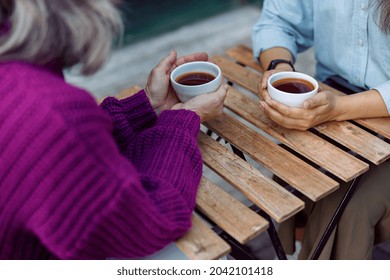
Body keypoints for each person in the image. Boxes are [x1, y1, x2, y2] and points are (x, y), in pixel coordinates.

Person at [0, 0, 227, 259]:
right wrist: (184, 119)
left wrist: (148, 106)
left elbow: (69, 157)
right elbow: (150, 223)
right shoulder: (50, 109)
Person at [252, 0, 390, 259]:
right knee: (292, 164)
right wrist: (278, 69)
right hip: (333, 100)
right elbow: (278, 21)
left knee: (349, 205)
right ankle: (299, 252)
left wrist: (339, 108)